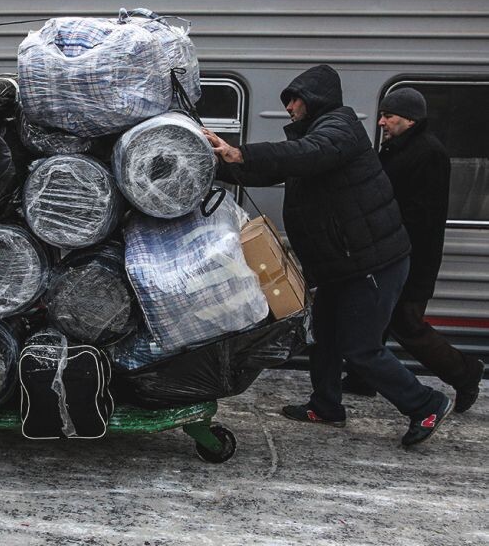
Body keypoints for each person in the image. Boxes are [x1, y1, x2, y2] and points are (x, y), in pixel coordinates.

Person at [202, 64, 452, 448]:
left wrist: (241, 153)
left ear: (314, 98)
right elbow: (275, 169)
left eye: (294, 100)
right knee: (325, 337)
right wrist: (215, 164)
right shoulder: (318, 139)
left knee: (361, 349)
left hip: (372, 263)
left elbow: (304, 155)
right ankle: (326, 405)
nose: (288, 108)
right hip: (342, 264)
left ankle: (425, 404)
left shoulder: (339, 129)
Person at [341, 88, 484, 411]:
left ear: (409, 119)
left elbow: (422, 217)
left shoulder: (427, 153)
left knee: (407, 323)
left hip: (411, 257)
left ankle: (465, 373)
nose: (381, 122)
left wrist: (392, 249)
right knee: (374, 315)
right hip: (393, 252)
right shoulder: (400, 149)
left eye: (388, 116)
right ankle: (363, 378)